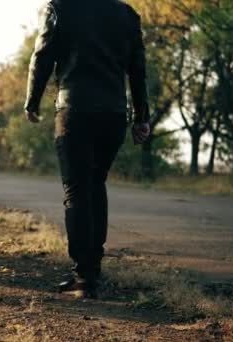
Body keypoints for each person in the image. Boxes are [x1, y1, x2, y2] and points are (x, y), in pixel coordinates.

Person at [24, 0, 151, 299]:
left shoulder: (59, 8)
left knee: (77, 191)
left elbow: (42, 55)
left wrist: (32, 101)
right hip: (114, 114)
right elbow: (138, 69)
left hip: (75, 111)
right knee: (96, 185)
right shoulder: (127, 14)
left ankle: (84, 277)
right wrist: (141, 117)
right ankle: (93, 271)